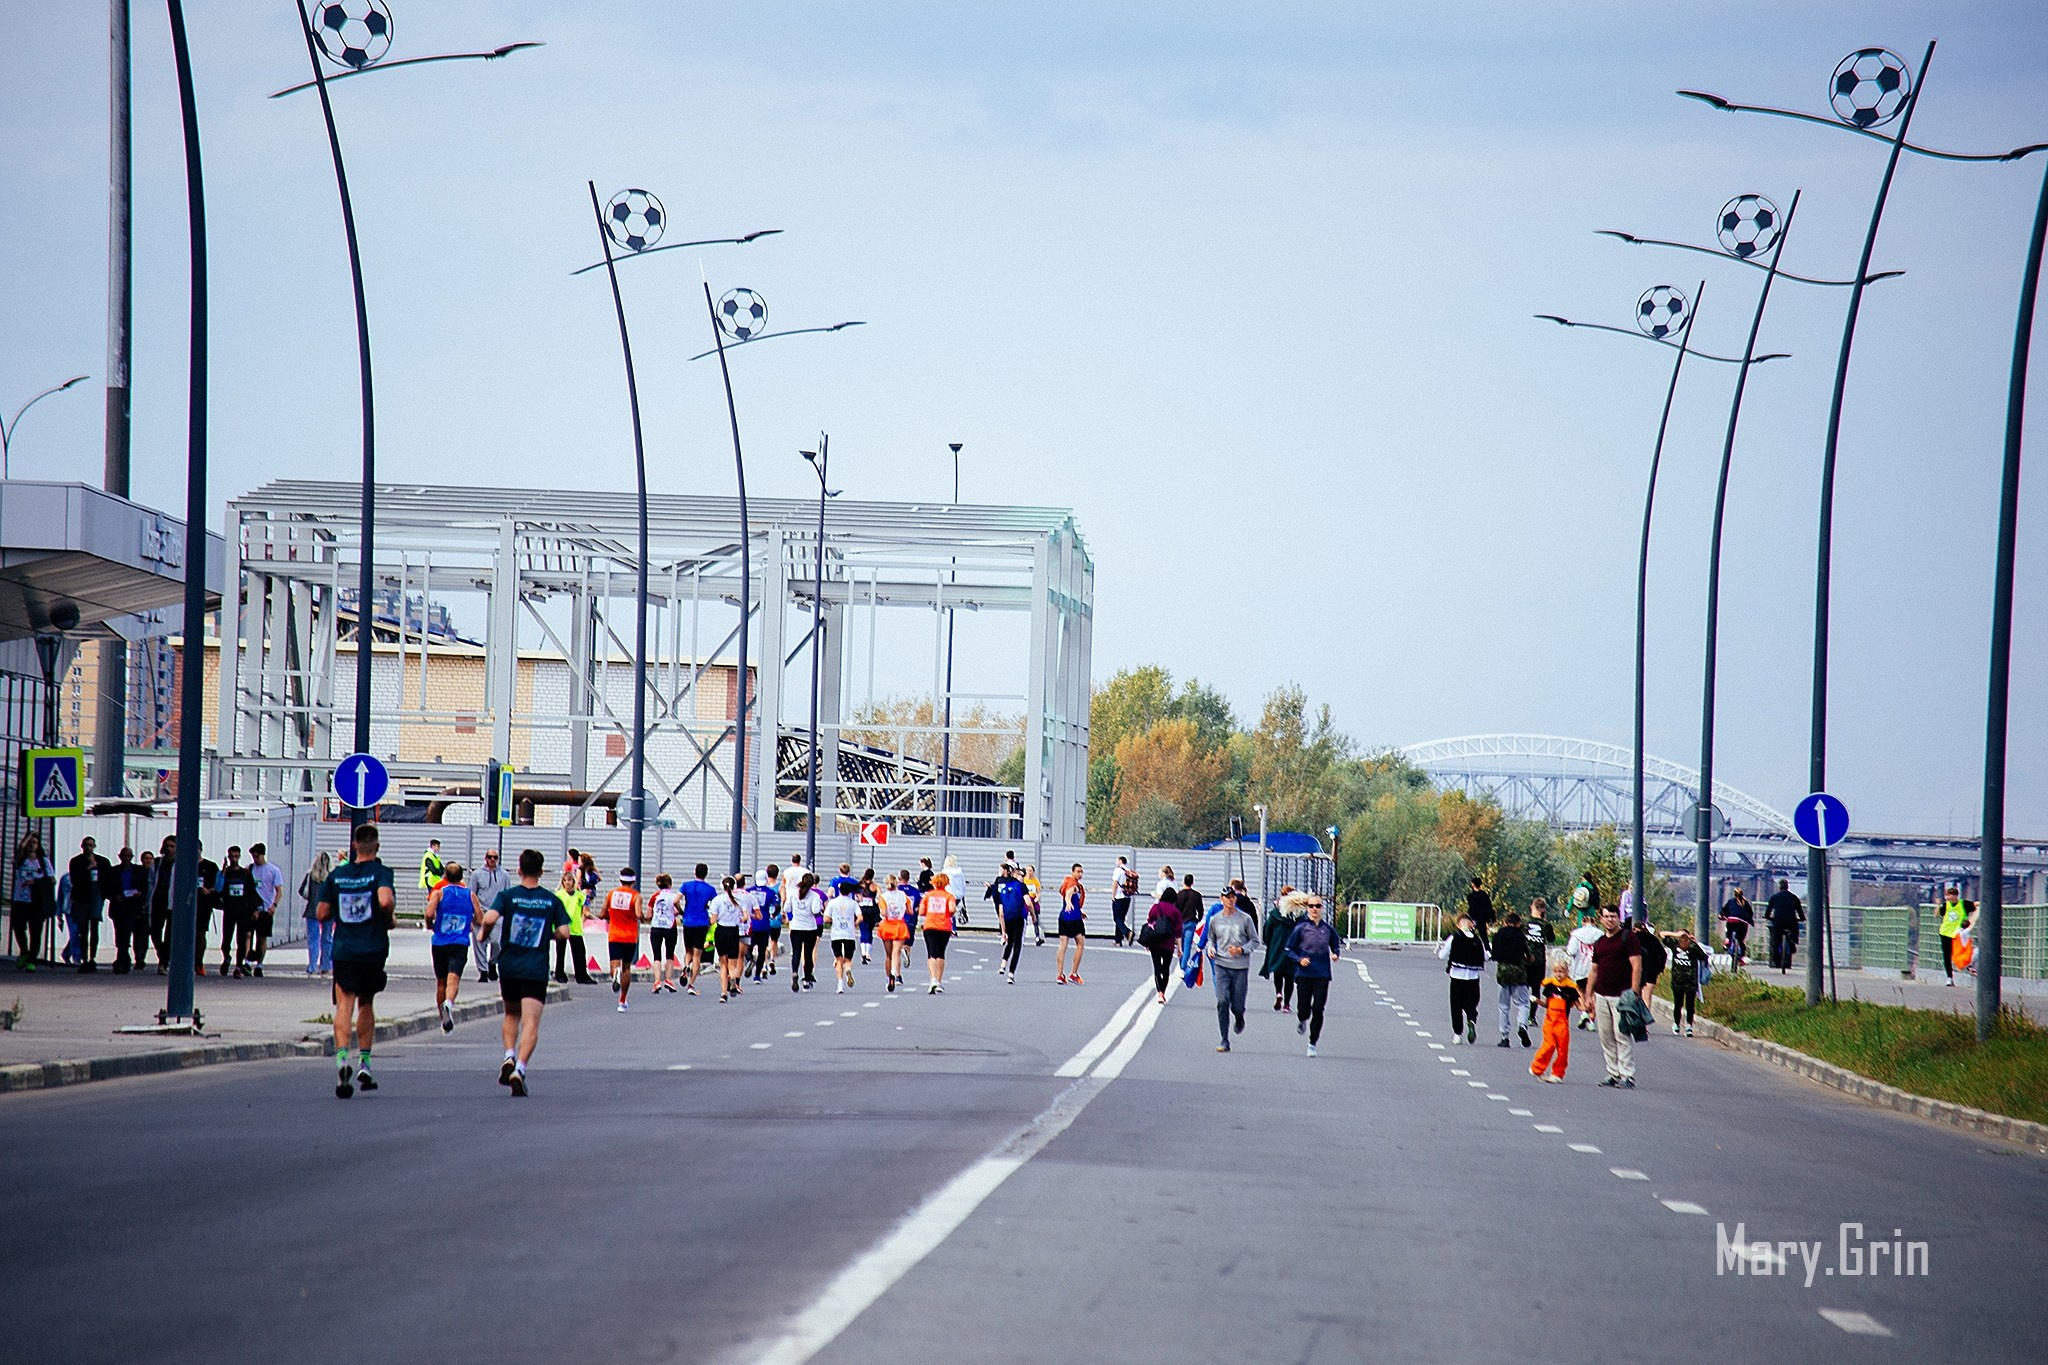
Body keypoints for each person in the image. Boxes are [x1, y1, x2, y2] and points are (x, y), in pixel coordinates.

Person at [477, 848, 573, 1097]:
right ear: (541, 872)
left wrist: (483, 934)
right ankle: (519, 1068)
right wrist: (547, 935)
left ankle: (508, 1055)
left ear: (519, 870)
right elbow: (564, 933)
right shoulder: (552, 900)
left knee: (511, 1014)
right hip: (535, 969)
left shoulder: (509, 896)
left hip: (509, 966)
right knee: (531, 1021)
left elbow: (488, 918)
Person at [318, 824, 397, 1098]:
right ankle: (365, 1062)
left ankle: (342, 1058)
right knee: (367, 1002)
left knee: (344, 1003)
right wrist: (387, 918)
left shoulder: (338, 875)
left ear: (354, 845)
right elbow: (385, 901)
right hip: (373, 949)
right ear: (377, 846)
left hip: (344, 950)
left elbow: (321, 912)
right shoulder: (381, 872)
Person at [1586, 907, 1644, 1088]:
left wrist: (1634, 992)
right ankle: (1612, 1073)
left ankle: (1627, 1075)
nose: (1610, 920)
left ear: (1619, 918)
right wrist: (1588, 995)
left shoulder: (1628, 938)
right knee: (1605, 1036)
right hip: (1602, 995)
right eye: (1606, 917)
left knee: (1622, 1035)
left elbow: (1637, 965)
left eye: (1613, 916)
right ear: (1601, 919)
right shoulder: (1600, 942)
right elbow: (1594, 970)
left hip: (1622, 996)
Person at [1283, 895, 1341, 1056]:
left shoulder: (1328, 929)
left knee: (1319, 1008)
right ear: (1307, 908)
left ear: (1322, 908)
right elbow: (1289, 949)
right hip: (1304, 973)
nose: (1314, 909)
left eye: (1318, 906)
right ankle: (1302, 1019)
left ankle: (1312, 1043)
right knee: (1304, 1008)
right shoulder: (1301, 929)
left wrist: (1336, 954)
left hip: (1322, 973)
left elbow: (1336, 945)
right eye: (1311, 906)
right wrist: (1299, 960)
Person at [1205, 886, 1260, 1052]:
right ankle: (1224, 1039)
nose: (1230, 900)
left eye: (1232, 897)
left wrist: (1241, 950)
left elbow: (1255, 941)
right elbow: (1210, 938)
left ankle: (1239, 1016)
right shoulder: (1215, 919)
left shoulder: (1245, 919)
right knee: (1222, 1001)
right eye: (1226, 897)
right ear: (1221, 899)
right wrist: (1210, 948)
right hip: (1222, 965)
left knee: (1237, 1004)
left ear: (1235, 899)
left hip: (1240, 966)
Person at [425, 863, 475, 1032]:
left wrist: (429, 924)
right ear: (461, 877)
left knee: (441, 982)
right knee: (453, 979)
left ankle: (443, 1019)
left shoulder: (439, 893)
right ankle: (449, 1003)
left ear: (445, 876)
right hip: (459, 943)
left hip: (440, 942)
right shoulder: (469, 895)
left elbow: (429, 913)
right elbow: (481, 918)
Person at [599, 869, 648, 1011]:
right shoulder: (636, 896)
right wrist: (643, 918)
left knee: (614, 964)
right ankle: (622, 1000)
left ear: (620, 880)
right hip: (630, 936)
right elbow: (638, 914)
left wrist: (606, 916)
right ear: (633, 881)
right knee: (627, 968)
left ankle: (615, 974)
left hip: (614, 934)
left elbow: (602, 913)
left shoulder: (611, 894)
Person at [1437, 912, 1487, 1044]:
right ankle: (1471, 1019)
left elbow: (1442, 955)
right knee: (1471, 1004)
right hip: (1473, 978)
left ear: (1458, 925)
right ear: (1471, 925)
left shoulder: (1454, 937)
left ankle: (1457, 1034)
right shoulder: (1477, 940)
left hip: (1456, 977)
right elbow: (1486, 957)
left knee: (1456, 1006)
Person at [1529, 953, 1578, 1083]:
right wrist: (1538, 1001)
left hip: (1562, 1022)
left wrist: (1587, 1008)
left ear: (1567, 972)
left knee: (1562, 1049)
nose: (1558, 974)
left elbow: (1576, 1004)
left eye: (1561, 971)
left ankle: (1557, 1073)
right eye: (1556, 971)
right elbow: (1547, 1003)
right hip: (1549, 1021)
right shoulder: (1550, 987)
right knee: (1549, 1045)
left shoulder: (1570, 988)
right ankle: (1537, 1068)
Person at [11, 832, 54, 969]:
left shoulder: (42, 861)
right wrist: (25, 840)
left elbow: (51, 880)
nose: (31, 845)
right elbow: (18, 852)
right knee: (18, 927)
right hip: (20, 899)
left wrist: (35, 881)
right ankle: (24, 951)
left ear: (38, 845)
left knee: (35, 931)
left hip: (36, 901)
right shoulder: (22, 859)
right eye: (29, 843)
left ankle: (32, 959)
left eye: (34, 843)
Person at [68, 837, 110, 973]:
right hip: (82, 897)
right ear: (82, 846)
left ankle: (92, 957)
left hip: (96, 896)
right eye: (86, 845)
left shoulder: (103, 861)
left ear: (94, 846)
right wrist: (88, 868)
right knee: (83, 928)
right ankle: (84, 957)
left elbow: (107, 878)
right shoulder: (76, 862)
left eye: (91, 845)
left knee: (94, 926)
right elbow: (75, 879)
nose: (88, 848)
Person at [216, 846, 258, 978]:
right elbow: (218, 889)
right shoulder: (225, 873)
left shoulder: (245, 873)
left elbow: (251, 892)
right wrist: (222, 872)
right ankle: (226, 957)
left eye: (236, 856)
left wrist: (255, 908)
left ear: (239, 856)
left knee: (241, 939)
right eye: (231, 856)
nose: (234, 859)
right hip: (229, 909)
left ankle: (239, 966)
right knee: (226, 938)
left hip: (242, 910)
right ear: (228, 857)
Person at [1490, 909, 1531, 1048]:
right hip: (1519, 974)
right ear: (1518, 923)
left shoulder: (1499, 935)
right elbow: (1528, 955)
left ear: (1505, 922)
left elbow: (1494, 954)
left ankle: (1504, 1036)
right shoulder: (1520, 936)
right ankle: (1522, 1025)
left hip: (1503, 973)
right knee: (1523, 1004)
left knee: (1503, 1006)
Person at [470, 848, 510, 983]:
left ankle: (492, 963)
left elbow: (507, 895)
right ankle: (483, 971)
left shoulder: (504, 875)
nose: (492, 860)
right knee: (479, 943)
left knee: (497, 942)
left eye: (495, 857)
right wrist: (473, 913)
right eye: (489, 857)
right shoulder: (477, 874)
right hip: (481, 912)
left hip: (498, 913)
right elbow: (472, 894)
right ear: (485, 858)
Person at [1260, 888, 1303, 1013]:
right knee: (1289, 976)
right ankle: (1287, 1004)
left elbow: (1268, 929)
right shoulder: (1298, 914)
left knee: (1278, 972)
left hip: (1277, 945)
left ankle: (1278, 993)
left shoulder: (1276, 913)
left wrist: (1269, 943)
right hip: (1293, 947)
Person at [107, 847, 149, 973]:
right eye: (124, 856)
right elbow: (107, 887)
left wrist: (140, 894)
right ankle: (122, 958)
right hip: (119, 906)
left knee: (136, 934)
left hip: (134, 906)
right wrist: (114, 896)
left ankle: (135, 958)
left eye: (129, 856)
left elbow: (146, 887)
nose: (126, 858)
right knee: (121, 935)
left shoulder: (139, 871)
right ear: (120, 856)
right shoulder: (113, 871)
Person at [679, 863, 719, 994]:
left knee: (688, 951)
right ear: (706, 874)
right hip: (701, 922)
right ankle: (691, 984)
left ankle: (685, 965)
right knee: (697, 955)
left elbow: (675, 900)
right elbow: (715, 905)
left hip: (688, 921)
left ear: (694, 872)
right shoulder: (710, 889)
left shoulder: (686, 885)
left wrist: (682, 912)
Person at [1141, 890, 1183, 1004]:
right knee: (1165, 968)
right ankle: (1163, 992)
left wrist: (1148, 942)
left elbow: (1150, 922)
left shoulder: (1155, 907)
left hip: (1155, 942)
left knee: (1157, 967)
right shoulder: (1175, 911)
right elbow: (1178, 931)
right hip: (1168, 944)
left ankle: (1159, 992)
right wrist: (1180, 948)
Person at [556, 865, 595, 985]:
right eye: (565, 881)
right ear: (563, 883)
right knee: (560, 952)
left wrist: (590, 915)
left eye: (570, 880)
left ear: (573, 881)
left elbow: (586, 908)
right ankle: (560, 974)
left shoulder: (580, 896)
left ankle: (581, 975)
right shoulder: (558, 895)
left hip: (575, 927)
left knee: (579, 952)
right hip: (562, 927)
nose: (568, 883)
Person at [712, 875, 750, 1001]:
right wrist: (739, 919)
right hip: (734, 931)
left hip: (721, 930)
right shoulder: (740, 899)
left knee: (723, 964)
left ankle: (723, 993)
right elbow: (745, 917)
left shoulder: (717, 900)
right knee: (733, 963)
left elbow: (713, 920)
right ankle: (733, 979)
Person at [249, 842, 284, 977]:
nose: (255, 859)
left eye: (257, 856)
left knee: (262, 937)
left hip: (266, 908)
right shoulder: (250, 869)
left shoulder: (273, 870)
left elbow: (279, 890)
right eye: (253, 856)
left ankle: (259, 963)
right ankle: (247, 959)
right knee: (248, 935)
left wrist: (274, 905)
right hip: (252, 908)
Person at [920, 871, 957, 994]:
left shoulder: (928, 895)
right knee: (941, 953)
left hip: (930, 925)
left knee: (931, 953)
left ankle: (932, 979)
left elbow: (921, 911)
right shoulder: (949, 896)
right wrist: (948, 914)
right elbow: (952, 909)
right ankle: (939, 981)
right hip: (944, 926)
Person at [989, 864, 1028, 981]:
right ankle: (1011, 973)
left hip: (1007, 918)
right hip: (1019, 917)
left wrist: (1003, 930)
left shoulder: (1004, 888)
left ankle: (1003, 965)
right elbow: (1028, 902)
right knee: (1017, 944)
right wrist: (1033, 914)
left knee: (1009, 942)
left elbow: (1001, 913)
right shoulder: (1021, 887)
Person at [1520, 897, 1555, 1027]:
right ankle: (1531, 1016)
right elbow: (1551, 939)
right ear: (1544, 909)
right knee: (1535, 988)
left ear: (1531, 907)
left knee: (1523, 987)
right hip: (1539, 960)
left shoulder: (1524, 922)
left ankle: (1522, 1014)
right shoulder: (1545, 925)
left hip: (1525, 958)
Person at [787, 871, 824, 992]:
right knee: (808, 954)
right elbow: (815, 910)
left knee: (796, 952)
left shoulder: (793, 893)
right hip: (810, 928)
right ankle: (807, 977)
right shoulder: (814, 896)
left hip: (796, 927)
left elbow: (787, 908)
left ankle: (794, 972)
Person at [1565, 909, 1602, 1031]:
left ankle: (1584, 1012)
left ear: (1582, 922)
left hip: (1579, 969)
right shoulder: (1600, 934)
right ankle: (1591, 1021)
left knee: (1580, 991)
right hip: (1594, 969)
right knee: (1592, 995)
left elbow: (1571, 951)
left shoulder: (1576, 934)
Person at [300, 850, 335, 977]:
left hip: (312, 910)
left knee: (313, 940)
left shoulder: (310, 875)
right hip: (329, 912)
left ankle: (312, 966)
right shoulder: (333, 877)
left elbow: (302, 891)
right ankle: (325, 966)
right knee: (327, 939)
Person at [1667, 928, 1707, 1035]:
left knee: (1690, 1005)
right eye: (1681, 937)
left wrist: (1694, 941)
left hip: (1691, 982)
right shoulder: (1674, 945)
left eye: (1685, 936)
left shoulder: (1693, 947)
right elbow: (1662, 934)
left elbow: (1703, 956)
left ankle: (1689, 1026)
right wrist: (1675, 934)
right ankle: (1676, 1023)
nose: (1683, 939)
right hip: (1677, 981)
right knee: (1678, 1004)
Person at [878, 872, 914, 992]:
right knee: (896, 952)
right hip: (899, 925)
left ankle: (889, 978)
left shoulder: (883, 897)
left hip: (887, 925)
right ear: (896, 883)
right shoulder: (903, 896)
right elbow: (910, 911)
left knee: (888, 955)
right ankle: (895, 972)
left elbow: (883, 912)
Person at [647, 873, 682, 995]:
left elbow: (649, 915)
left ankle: (657, 981)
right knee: (669, 954)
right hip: (669, 927)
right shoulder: (674, 897)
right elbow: (677, 910)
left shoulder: (654, 897)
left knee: (657, 955)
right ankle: (668, 979)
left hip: (656, 927)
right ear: (670, 884)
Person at [826, 878, 860, 992]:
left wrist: (833, 921)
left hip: (836, 934)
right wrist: (854, 924)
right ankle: (848, 969)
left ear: (839, 890)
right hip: (849, 934)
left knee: (838, 959)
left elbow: (826, 918)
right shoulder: (853, 903)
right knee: (848, 958)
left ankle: (840, 984)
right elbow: (860, 917)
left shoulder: (833, 902)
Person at [1056, 863, 1087, 984]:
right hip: (1073, 919)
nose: (1080, 874)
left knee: (1063, 945)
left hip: (1064, 917)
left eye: (1081, 872)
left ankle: (1060, 975)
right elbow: (1069, 894)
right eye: (1078, 872)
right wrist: (1068, 902)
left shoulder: (1068, 883)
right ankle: (1073, 973)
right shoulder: (1073, 885)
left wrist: (1079, 911)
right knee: (1080, 943)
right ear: (1072, 872)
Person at [1765, 879, 1804, 973]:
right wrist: (1802, 918)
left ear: (1779, 887)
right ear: (1787, 887)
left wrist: (1768, 917)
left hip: (1778, 921)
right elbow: (1799, 910)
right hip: (1791, 921)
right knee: (1794, 931)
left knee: (1775, 939)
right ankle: (1792, 943)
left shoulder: (1774, 897)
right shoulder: (1794, 897)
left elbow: (1768, 910)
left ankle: (1775, 960)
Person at [1634, 915, 1667, 1014]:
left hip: (1637, 971)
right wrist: (1660, 968)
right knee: (1647, 996)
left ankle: (1636, 1018)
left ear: (1635, 929)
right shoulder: (1654, 940)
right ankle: (1644, 1019)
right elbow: (1663, 954)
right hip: (1652, 972)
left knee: (1636, 994)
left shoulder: (1633, 939)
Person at [1937, 885, 1968, 985]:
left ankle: (1967, 966)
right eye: (1947, 895)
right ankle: (1949, 977)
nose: (1947, 897)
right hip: (1945, 933)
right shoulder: (1946, 905)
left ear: (1955, 896)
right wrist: (1938, 905)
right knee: (1947, 955)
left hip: (1957, 934)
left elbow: (1974, 906)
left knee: (1958, 952)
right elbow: (1937, 914)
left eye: (1949, 895)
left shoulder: (1962, 904)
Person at [1175, 874, 1204, 975]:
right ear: (1192, 882)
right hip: (1191, 922)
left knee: (1180, 946)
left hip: (1179, 922)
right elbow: (1200, 910)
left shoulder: (1179, 894)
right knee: (1187, 946)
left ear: (1184, 882)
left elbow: (1175, 909)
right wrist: (1198, 919)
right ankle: (1183, 967)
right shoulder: (1197, 895)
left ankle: (1180, 964)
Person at [1721, 887, 1755, 970]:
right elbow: (1750, 913)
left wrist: (1721, 915)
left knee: (1729, 931)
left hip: (1732, 921)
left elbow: (1724, 910)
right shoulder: (1746, 903)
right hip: (1743, 923)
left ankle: (1728, 940)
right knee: (1740, 940)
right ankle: (1741, 957)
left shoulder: (1731, 901)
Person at [1111, 855, 1137, 946]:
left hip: (1119, 897)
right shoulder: (1128, 871)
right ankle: (1118, 940)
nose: (1116, 862)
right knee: (1121, 918)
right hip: (1127, 897)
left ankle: (1127, 932)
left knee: (1117, 918)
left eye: (1117, 860)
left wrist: (1113, 895)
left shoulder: (1117, 870)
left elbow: (1115, 883)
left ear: (1121, 861)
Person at [855, 868, 879, 965]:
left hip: (861, 909)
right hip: (871, 910)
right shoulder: (874, 886)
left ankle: (863, 952)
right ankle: (868, 953)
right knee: (869, 931)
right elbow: (880, 896)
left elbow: (855, 895)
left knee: (863, 931)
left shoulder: (860, 885)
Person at [1022, 864, 1043, 945]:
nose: (1029, 872)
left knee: (1035, 920)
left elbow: (1038, 892)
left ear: (1033, 872)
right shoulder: (1023, 880)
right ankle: (1022, 938)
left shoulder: (1035, 881)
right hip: (1025, 900)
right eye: (1028, 870)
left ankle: (1037, 937)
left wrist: (1037, 898)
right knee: (1024, 920)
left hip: (1033, 900)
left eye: (1031, 870)